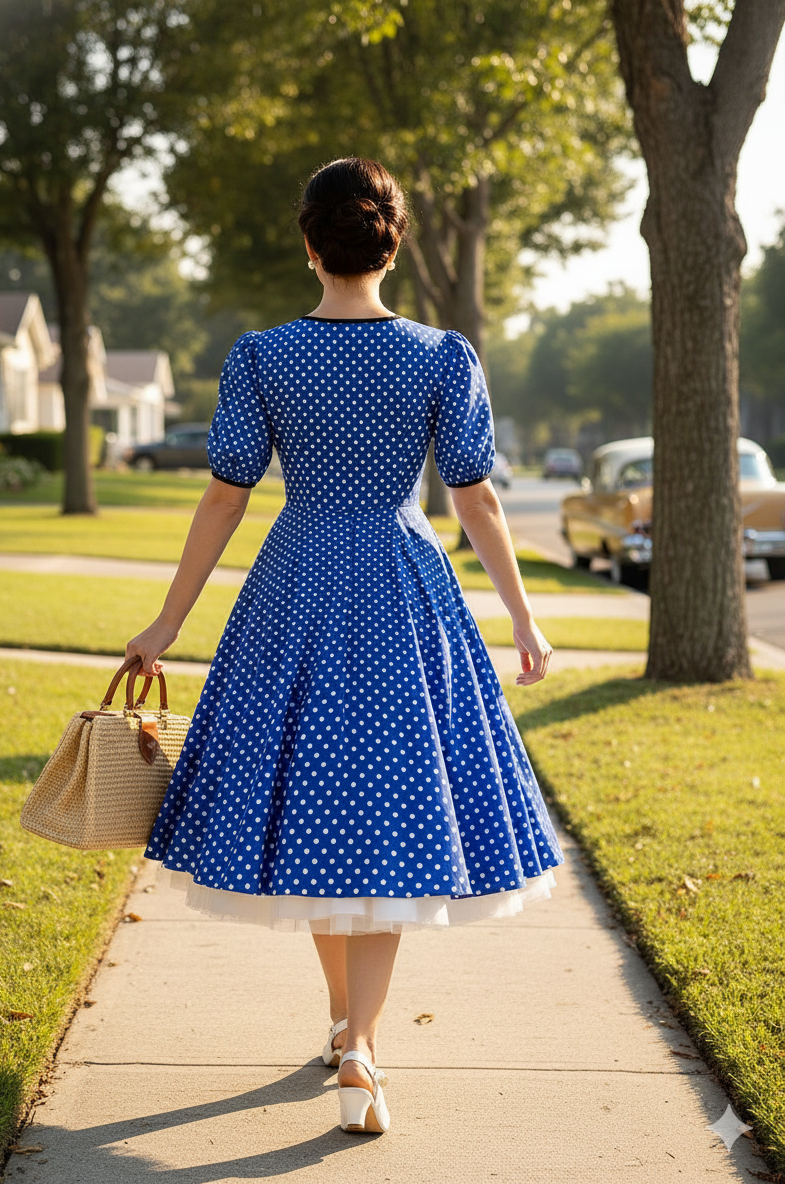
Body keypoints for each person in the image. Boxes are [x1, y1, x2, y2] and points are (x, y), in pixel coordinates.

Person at [126, 157, 564, 1136]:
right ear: (392, 241)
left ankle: (346, 1026)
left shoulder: (260, 357)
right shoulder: (443, 355)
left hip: (297, 586)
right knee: (386, 814)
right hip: (404, 592)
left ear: (310, 241)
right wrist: (523, 619)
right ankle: (359, 1040)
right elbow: (475, 495)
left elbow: (225, 495)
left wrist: (167, 622)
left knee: (322, 806)